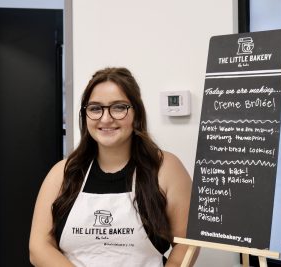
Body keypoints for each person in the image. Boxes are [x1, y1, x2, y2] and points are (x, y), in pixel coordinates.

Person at [29, 67, 196, 267]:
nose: (106, 118)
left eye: (118, 107)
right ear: (85, 115)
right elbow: (39, 247)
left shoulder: (166, 168)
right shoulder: (62, 172)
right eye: (95, 108)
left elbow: (187, 243)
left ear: (137, 113)